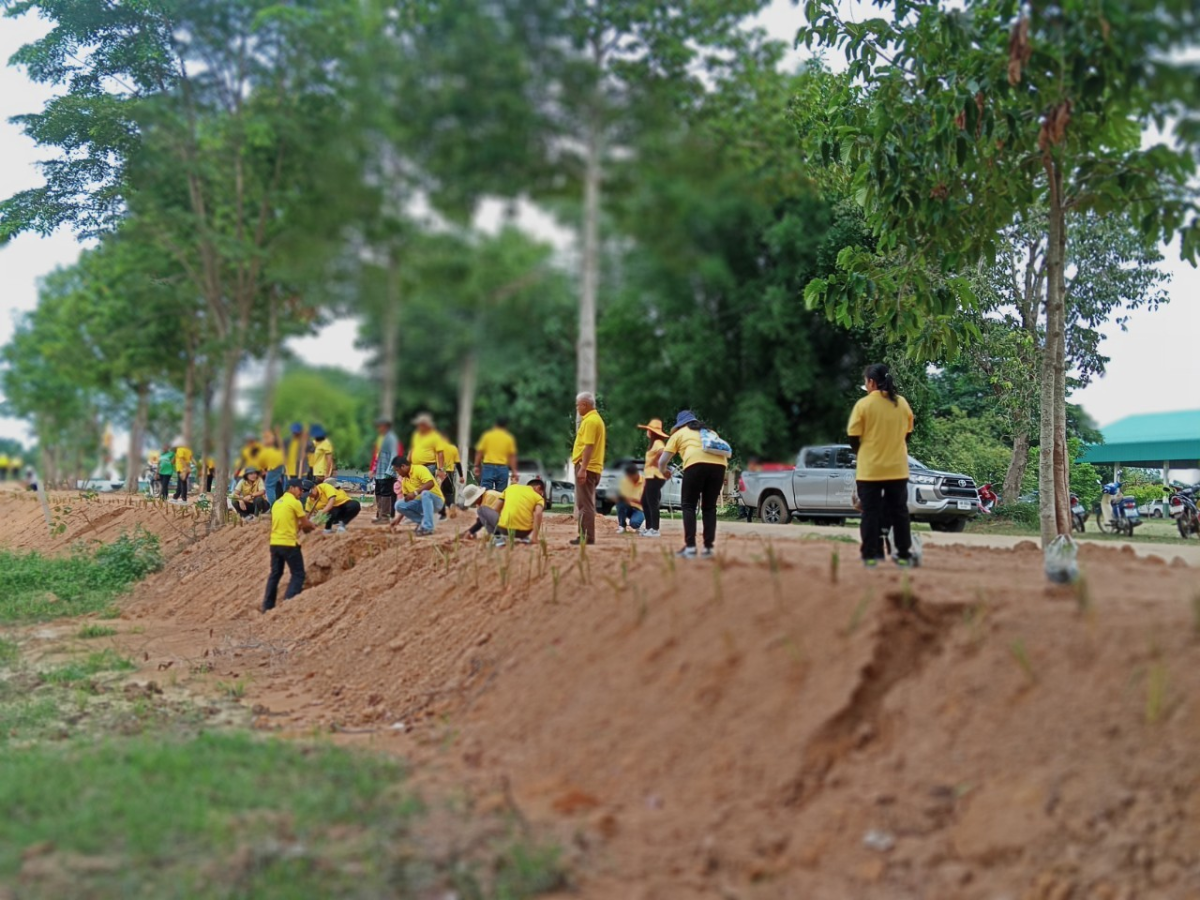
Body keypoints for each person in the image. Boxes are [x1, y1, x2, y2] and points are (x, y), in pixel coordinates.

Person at [848, 363, 914, 568]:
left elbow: (853, 436)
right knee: (899, 512)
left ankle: (871, 556)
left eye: (866, 381)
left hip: (870, 470)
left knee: (870, 512)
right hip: (897, 468)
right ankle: (903, 554)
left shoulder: (864, 405)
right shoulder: (901, 403)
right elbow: (908, 433)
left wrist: (865, 452)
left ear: (872, 382)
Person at [658, 410, 730, 559]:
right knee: (709, 507)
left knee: (689, 505)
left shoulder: (678, 434)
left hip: (695, 464)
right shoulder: (710, 432)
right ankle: (708, 549)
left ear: (680, 424)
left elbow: (662, 461)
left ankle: (690, 547)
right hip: (719, 466)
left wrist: (664, 472)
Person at [262, 477, 315, 613]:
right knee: (298, 574)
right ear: (291, 488)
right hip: (289, 544)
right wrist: (313, 525)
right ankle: (287, 604)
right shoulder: (295, 503)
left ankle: (267, 606)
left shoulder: (277, 503)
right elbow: (305, 525)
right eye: (300, 489)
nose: (301, 493)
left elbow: (287, 523)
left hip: (274, 543)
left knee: (275, 574)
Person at [571, 392, 606, 545]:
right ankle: (583, 535)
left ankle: (587, 537)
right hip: (591, 467)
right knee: (583, 504)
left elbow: (589, 446)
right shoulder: (594, 419)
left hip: (587, 467)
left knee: (585, 505)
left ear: (584, 404)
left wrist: (583, 468)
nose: (577, 408)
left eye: (578, 405)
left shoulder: (591, 421)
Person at [391, 457, 444, 537]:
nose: (398, 473)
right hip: (422, 503)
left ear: (403, 466)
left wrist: (415, 493)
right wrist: (397, 520)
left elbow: (430, 483)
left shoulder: (419, 469)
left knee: (425, 493)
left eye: (397, 470)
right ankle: (424, 521)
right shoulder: (404, 481)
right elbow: (407, 502)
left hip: (436, 501)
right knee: (399, 505)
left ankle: (428, 527)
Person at [637, 418, 669, 538]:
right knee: (645, 501)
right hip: (650, 476)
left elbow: (662, 453)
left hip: (656, 476)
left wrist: (656, 462)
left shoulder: (658, 443)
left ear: (652, 432)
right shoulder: (653, 444)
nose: (647, 432)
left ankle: (655, 529)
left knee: (652, 502)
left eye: (648, 430)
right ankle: (649, 527)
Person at [493, 477, 546, 547]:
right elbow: (538, 513)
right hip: (524, 532)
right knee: (532, 516)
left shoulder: (510, 488)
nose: (540, 495)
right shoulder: (539, 498)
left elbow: (495, 509)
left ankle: (498, 538)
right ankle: (524, 538)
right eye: (541, 493)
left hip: (504, 530)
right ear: (538, 487)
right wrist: (534, 538)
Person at [474, 417, 519, 492]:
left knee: (485, 492)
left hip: (488, 467)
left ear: (495, 425)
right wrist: (514, 471)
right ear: (506, 426)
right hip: (503, 469)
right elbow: (512, 456)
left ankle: (485, 504)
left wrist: (476, 466)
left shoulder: (487, 436)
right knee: (501, 495)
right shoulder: (509, 438)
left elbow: (480, 451)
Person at [372, 417, 400, 523]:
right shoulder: (382, 438)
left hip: (386, 472)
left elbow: (394, 454)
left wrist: (391, 470)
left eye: (380, 426)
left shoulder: (391, 438)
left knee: (386, 493)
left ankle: (385, 516)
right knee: (378, 492)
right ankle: (380, 514)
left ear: (386, 426)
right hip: (379, 471)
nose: (379, 428)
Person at [409, 413, 448, 481]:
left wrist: (441, 469)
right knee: (416, 488)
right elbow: (412, 449)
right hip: (415, 467)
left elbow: (440, 453)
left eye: (420, 425)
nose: (418, 426)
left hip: (428, 467)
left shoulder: (435, 436)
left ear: (426, 425)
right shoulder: (416, 434)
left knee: (425, 487)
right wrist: (408, 462)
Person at [257, 431, 287, 504]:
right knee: (281, 486)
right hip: (282, 466)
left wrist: (261, 470)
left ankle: (273, 507)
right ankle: (281, 504)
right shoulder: (277, 445)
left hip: (275, 466)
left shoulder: (271, 446)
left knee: (269, 486)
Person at [616, 464, 646, 534]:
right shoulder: (625, 481)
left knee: (634, 523)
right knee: (620, 503)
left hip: (640, 509)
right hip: (628, 507)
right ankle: (622, 526)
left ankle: (637, 525)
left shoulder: (645, 482)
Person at [439, 435, 462, 519]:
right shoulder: (453, 448)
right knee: (448, 493)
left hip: (441, 472)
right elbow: (458, 463)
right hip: (450, 472)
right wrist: (461, 476)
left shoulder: (439, 447)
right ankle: (451, 504)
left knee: (440, 493)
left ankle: (442, 514)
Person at [172, 439, 194, 503]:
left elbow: (181, 459)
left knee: (183, 483)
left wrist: (186, 467)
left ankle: (184, 499)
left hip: (182, 469)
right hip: (184, 469)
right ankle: (175, 497)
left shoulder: (180, 450)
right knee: (180, 483)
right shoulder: (189, 450)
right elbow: (191, 459)